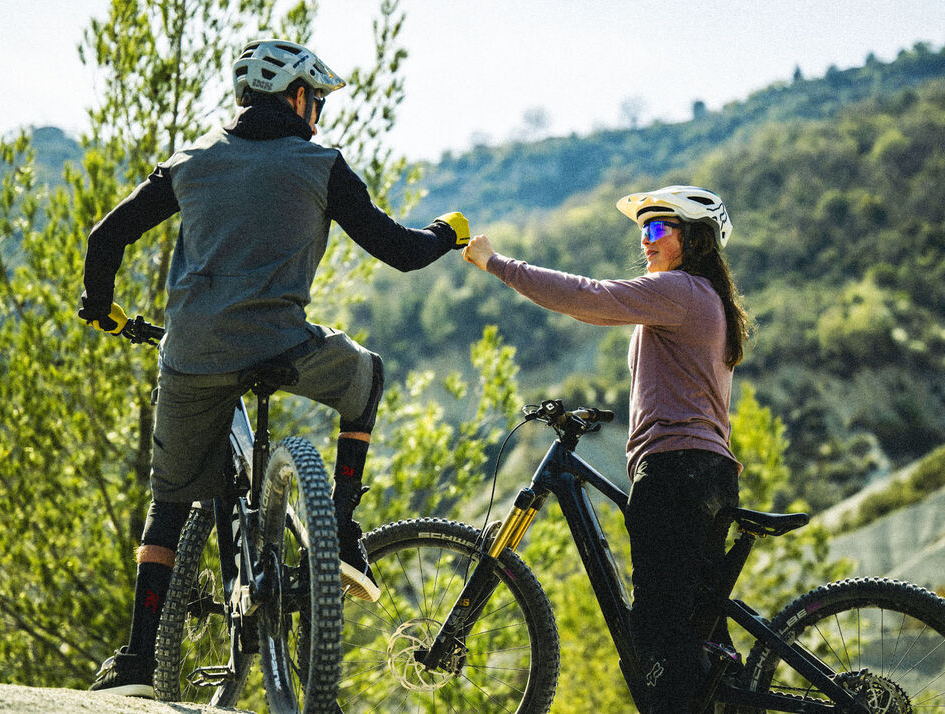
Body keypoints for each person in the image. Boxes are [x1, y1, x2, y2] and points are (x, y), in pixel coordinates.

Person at [79, 38, 470, 697]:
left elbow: (104, 236)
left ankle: (139, 662)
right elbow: (399, 251)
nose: (318, 112)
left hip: (192, 355)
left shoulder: (190, 161)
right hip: (282, 347)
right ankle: (341, 530)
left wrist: (101, 305)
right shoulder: (320, 163)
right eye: (316, 100)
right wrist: (447, 232)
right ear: (296, 97)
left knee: (169, 503)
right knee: (366, 375)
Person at [462, 185, 751, 713]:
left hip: (675, 473)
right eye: (643, 229)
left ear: (697, 239)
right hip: (707, 474)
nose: (646, 240)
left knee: (658, 641)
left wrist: (496, 263)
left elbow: (590, 297)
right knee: (700, 639)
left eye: (660, 228)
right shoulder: (705, 300)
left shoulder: (681, 292)